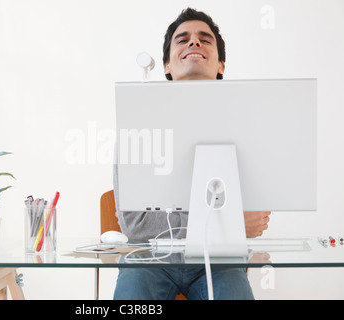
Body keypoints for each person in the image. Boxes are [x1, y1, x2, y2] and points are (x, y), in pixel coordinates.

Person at [113, 7, 270, 300]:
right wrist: (230, 222)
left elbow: (256, 221)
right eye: (182, 39)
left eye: (204, 39)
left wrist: (233, 225)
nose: (194, 43)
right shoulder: (139, 120)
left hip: (220, 260)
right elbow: (136, 224)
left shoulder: (244, 123)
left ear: (220, 65)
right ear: (166, 66)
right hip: (149, 260)